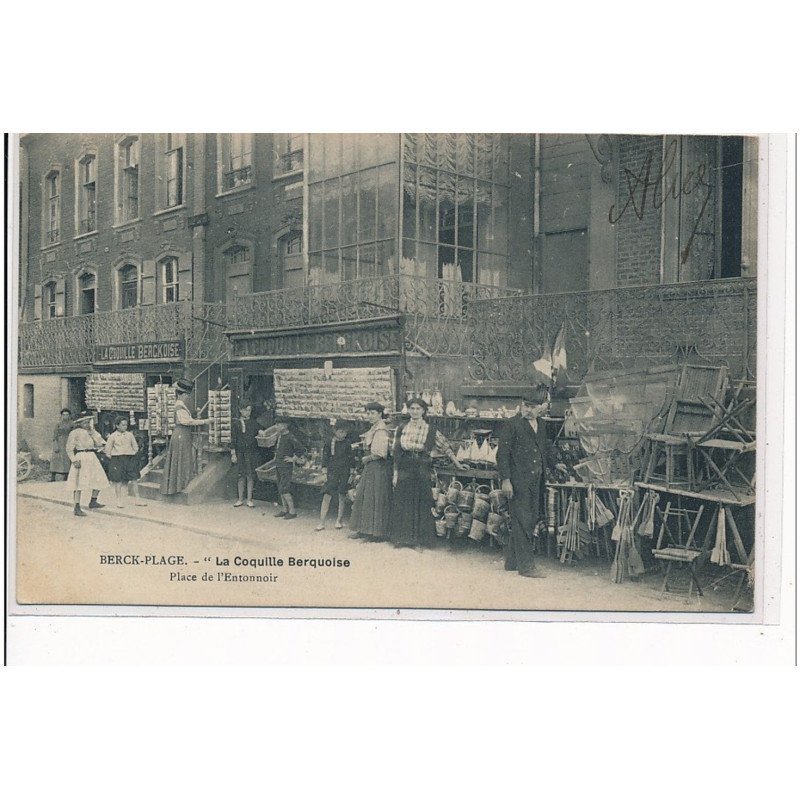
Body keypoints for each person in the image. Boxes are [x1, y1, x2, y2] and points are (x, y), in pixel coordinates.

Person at [495, 385, 561, 578]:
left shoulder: (540, 424)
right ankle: (526, 566)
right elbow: (502, 455)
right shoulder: (511, 424)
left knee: (527, 519)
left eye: (533, 407)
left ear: (541, 407)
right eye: (525, 406)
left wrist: (555, 464)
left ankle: (512, 561)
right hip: (517, 482)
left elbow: (545, 447)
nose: (528, 410)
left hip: (536, 481)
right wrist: (506, 480)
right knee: (523, 521)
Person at [390, 397, 462, 550]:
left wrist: (457, 463)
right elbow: (396, 452)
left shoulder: (430, 429)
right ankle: (402, 539)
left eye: (418, 409)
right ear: (408, 410)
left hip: (421, 466)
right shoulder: (401, 428)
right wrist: (395, 474)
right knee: (403, 501)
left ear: (423, 411)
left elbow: (445, 447)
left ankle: (419, 541)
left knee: (420, 502)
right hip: (405, 465)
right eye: (412, 408)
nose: (415, 411)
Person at [349, 402, 392, 541]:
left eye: (373, 413)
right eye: (368, 413)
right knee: (365, 497)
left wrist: (367, 458)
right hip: (371, 466)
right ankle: (363, 529)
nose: (370, 416)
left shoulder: (381, 430)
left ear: (380, 414)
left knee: (375, 498)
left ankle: (375, 533)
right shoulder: (374, 428)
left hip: (377, 466)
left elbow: (381, 452)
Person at [160, 378, 210, 496]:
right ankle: (177, 486)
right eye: (186, 395)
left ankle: (180, 484)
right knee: (181, 459)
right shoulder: (179, 405)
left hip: (183, 434)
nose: (188, 397)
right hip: (181, 435)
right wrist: (205, 421)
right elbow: (187, 422)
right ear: (181, 394)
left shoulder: (181, 405)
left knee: (183, 459)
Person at [65, 413, 108, 516]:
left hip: (92, 456)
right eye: (84, 422)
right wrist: (74, 460)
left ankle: (93, 501)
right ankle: (76, 506)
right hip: (81, 456)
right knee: (79, 483)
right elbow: (69, 448)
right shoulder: (75, 433)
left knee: (99, 478)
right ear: (79, 423)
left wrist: (102, 444)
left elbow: (100, 442)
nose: (87, 424)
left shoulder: (93, 432)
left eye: (88, 422)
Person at [316, 421, 355, 531]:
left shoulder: (347, 444)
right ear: (335, 431)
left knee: (341, 496)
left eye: (345, 432)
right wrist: (324, 473)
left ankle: (339, 520)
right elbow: (325, 459)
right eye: (341, 432)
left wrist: (351, 474)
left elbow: (351, 460)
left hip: (344, 472)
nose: (344, 434)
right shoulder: (329, 443)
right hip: (332, 472)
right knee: (326, 496)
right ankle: (322, 522)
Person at [104, 415, 147, 508]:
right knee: (118, 480)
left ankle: (137, 499)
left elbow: (135, 447)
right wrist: (115, 458)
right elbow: (107, 451)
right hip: (117, 459)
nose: (125, 427)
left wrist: (132, 454)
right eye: (122, 425)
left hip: (130, 458)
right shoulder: (112, 436)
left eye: (126, 425)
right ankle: (119, 500)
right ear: (117, 426)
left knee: (134, 479)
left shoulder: (130, 435)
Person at [230, 400, 261, 508]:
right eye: (245, 410)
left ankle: (249, 499)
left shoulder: (254, 423)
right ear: (240, 410)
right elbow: (233, 439)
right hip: (240, 452)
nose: (248, 412)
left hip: (251, 452)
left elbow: (260, 432)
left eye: (249, 410)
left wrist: (261, 432)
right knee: (240, 475)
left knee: (250, 475)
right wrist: (233, 454)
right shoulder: (236, 423)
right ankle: (240, 499)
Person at [274, 421, 301, 520]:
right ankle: (284, 509)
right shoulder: (280, 435)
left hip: (285, 466)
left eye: (279, 424)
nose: (277, 426)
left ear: (285, 425)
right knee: (281, 487)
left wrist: (292, 458)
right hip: (279, 464)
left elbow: (300, 449)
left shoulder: (290, 436)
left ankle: (292, 511)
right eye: (276, 424)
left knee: (285, 488)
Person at [50, 408, 73, 481]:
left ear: (69, 416)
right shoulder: (58, 424)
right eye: (64, 415)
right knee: (56, 458)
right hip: (60, 442)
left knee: (67, 459)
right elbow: (55, 435)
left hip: (68, 442)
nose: (65, 416)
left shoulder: (72, 424)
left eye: (67, 415)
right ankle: (53, 476)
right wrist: (55, 445)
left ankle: (67, 475)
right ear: (61, 416)